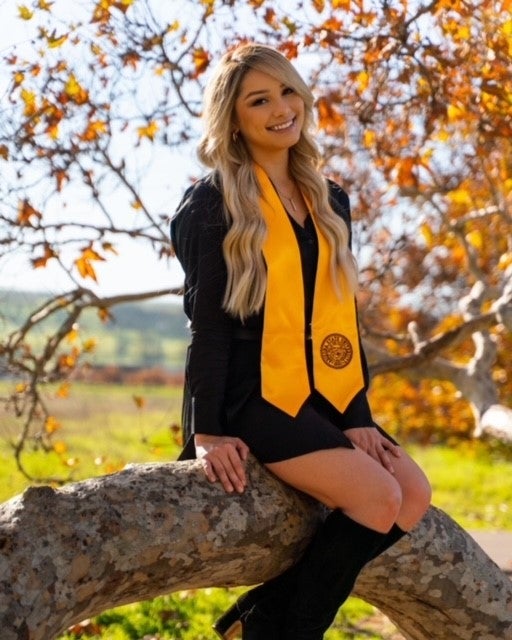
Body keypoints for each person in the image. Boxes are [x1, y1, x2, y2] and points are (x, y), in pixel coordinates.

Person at [170, 42, 431, 640]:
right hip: (249, 390)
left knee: (410, 493)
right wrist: (207, 431)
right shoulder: (213, 202)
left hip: (319, 388)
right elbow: (207, 326)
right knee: (375, 497)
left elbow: (339, 315)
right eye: (259, 100)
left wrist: (356, 413)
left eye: (287, 90)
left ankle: (258, 621)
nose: (280, 108)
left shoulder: (328, 197)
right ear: (233, 119)